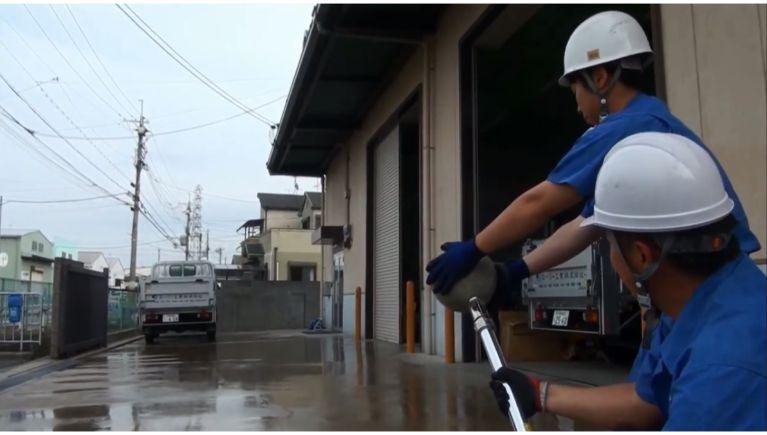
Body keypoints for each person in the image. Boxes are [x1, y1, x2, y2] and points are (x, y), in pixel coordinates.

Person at [488, 132, 767, 430]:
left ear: (642, 255)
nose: (611, 257)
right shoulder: (704, 297)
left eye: (609, 243)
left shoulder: (723, 373)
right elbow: (648, 400)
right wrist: (540, 394)